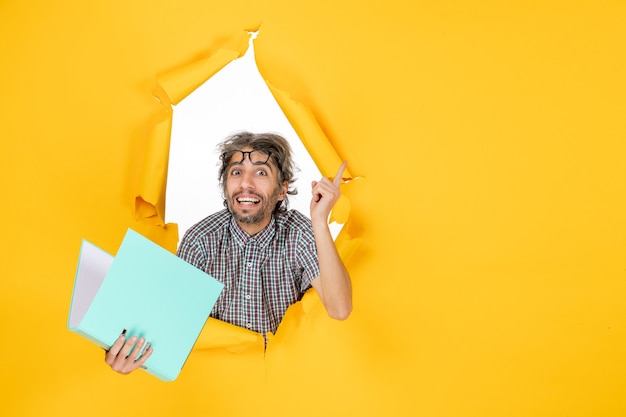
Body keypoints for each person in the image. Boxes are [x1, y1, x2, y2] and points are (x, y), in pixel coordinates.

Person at [105, 131, 352, 374]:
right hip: (219, 387)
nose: (246, 184)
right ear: (225, 187)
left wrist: (320, 220)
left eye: (261, 172)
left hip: (284, 381)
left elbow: (339, 308)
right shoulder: (201, 240)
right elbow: (173, 324)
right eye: (236, 173)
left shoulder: (298, 232)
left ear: (281, 190)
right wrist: (131, 356)